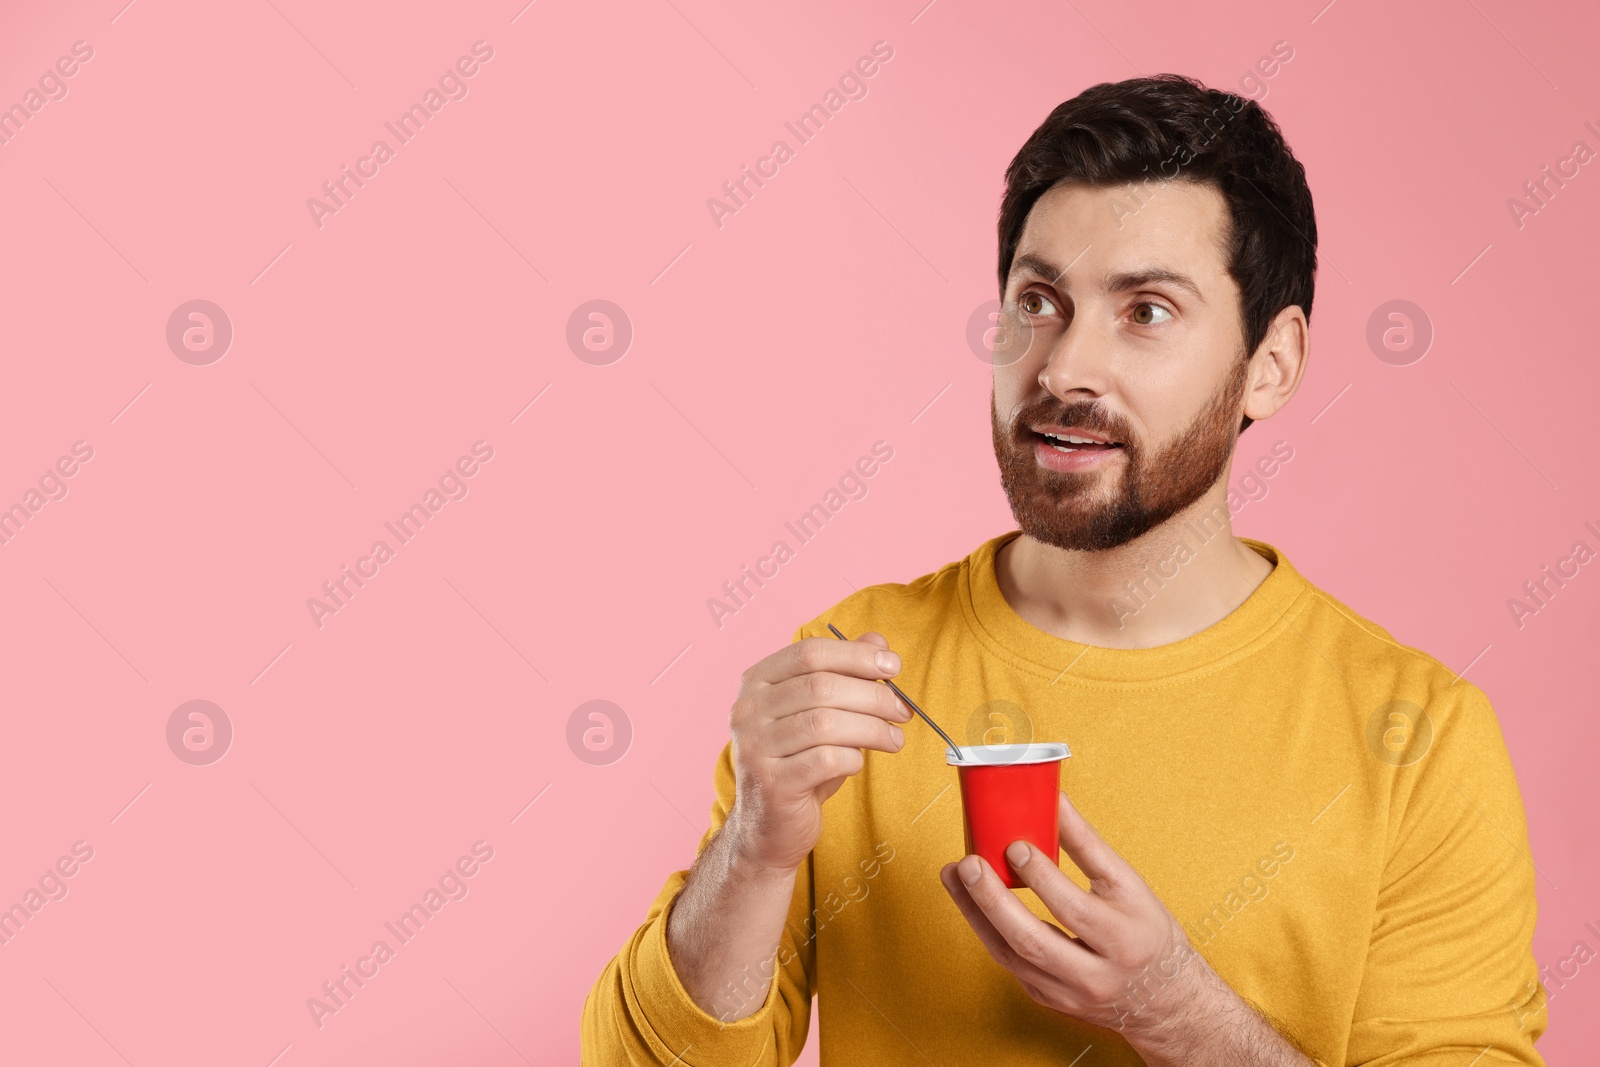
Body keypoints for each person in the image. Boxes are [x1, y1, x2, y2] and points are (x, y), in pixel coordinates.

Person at [580, 73, 1547, 1065]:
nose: (1063, 369)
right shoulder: (861, 668)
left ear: (1270, 362)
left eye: (1147, 311)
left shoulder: (1418, 739)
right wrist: (752, 850)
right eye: (1038, 300)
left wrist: (1179, 1013)